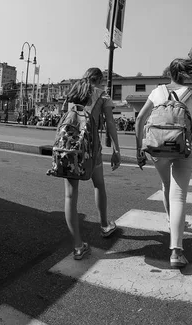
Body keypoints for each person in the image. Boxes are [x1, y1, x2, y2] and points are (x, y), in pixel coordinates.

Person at [135, 46, 192, 268]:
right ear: (185, 74)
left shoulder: (157, 92)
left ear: (169, 73)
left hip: (157, 147)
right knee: (179, 195)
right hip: (183, 148)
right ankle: (176, 251)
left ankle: (169, 221)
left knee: (166, 185)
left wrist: (139, 148)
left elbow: (139, 120)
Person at [63, 67, 122, 260]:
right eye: (103, 80)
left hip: (70, 147)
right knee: (99, 185)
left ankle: (78, 247)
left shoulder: (73, 92)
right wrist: (116, 148)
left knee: (70, 196)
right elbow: (111, 123)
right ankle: (105, 225)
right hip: (90, 147)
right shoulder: (102, 95)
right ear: (98, 80)